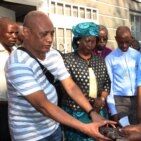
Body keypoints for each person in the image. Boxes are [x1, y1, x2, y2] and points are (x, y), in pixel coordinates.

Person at [5, 11, 115, 141]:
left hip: (53, 126)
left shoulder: (53, 54)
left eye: (52, 33)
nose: (50, 39)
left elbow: (70, 86)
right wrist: (84, 127)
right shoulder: (17, 63)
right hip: (30, 134)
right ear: (27, 32)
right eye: (44, 34)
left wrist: (91, 112)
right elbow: (43, 105)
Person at [62, 22, 111, 140]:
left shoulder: (100, 61)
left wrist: (102, 98)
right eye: (87, 41)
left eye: (94, 41)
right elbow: (67, 87)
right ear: (79, 40)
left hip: (98, 111)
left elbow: (107, 83)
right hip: (76, 113)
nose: (91, 44)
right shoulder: (67, 60)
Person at [105, 26, 141, 127]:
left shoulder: (137, 55)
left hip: (136, 100)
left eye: (127, 42)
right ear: (116, 39)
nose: (124, 45)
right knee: (125, 129)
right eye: (121, 42)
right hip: (119, 101)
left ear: (131, 39)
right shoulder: (110, 58)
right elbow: (109, 84)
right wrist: (113, 110)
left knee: (137, 130)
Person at [0, 17, 18, 141]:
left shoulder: (17, 52)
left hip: (16, 107)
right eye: (10, 33)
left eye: (16, 33)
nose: (14, 36)